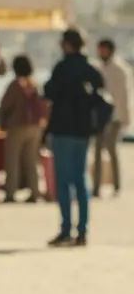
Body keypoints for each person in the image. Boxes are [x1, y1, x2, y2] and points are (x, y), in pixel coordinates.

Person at [43, 27, 104, 247]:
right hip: (83, 130)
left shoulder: (62, 68)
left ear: (66, 44)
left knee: (63, 181)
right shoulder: (91, 70)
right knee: (80, 180)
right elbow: (101, 92)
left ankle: (66, 228)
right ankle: (83, 230)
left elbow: (48, 91)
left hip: (62, 129)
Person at [0, 55, 45, 203]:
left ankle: (10, 192)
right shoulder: (35, 84)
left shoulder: (15, 85)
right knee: (31, 161)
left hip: (17, 126)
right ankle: (35, 192)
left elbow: (5, 104)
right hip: (35, 127)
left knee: (12, 161)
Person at [93, 38, 130, 196]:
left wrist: (124, 118)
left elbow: (124, 96)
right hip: (100, 116)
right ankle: (96, 186)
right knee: (97, 151)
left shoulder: (120, 70)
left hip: (114, 117)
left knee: (111, 150)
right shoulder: (97, 68)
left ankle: (116, 185)